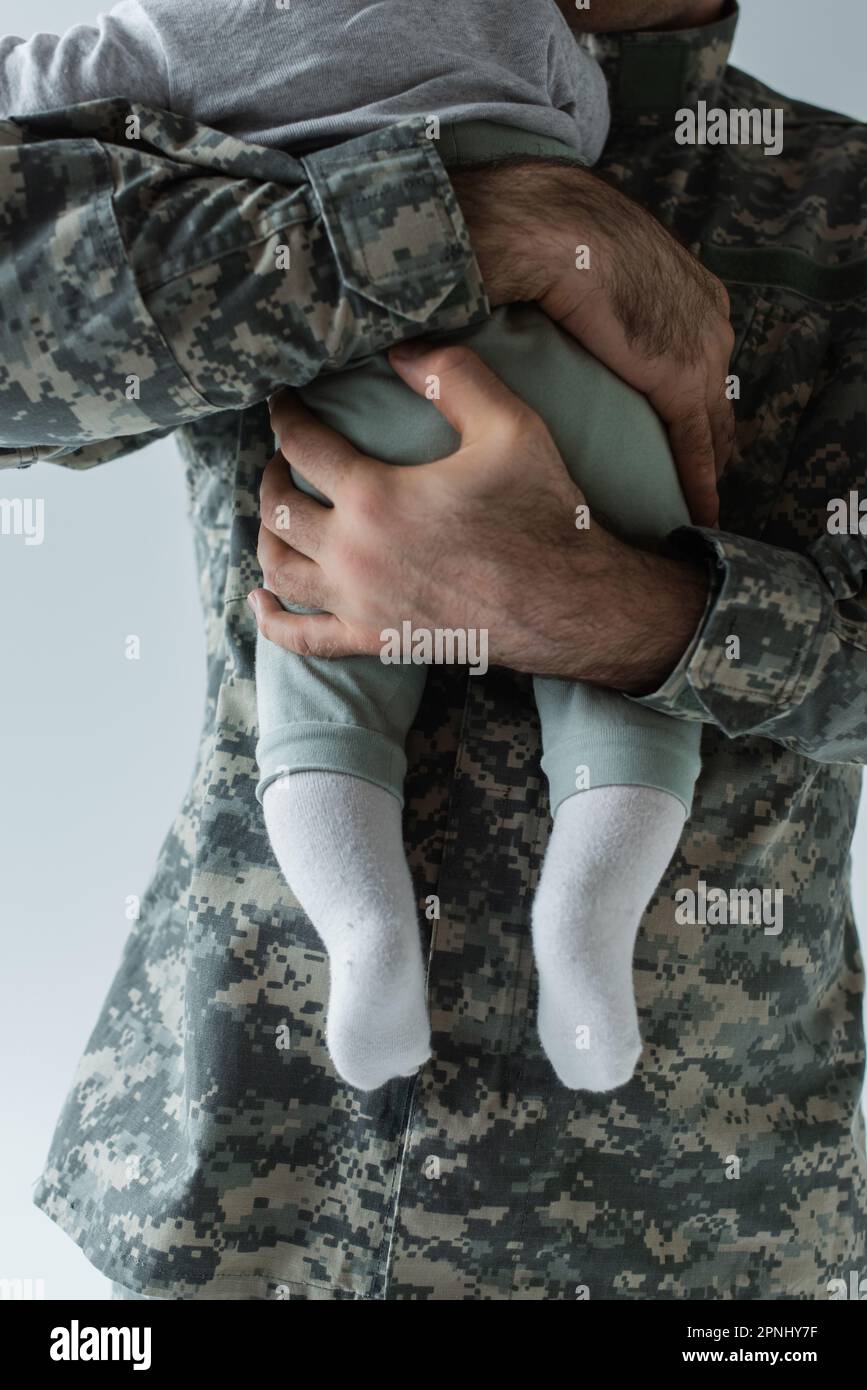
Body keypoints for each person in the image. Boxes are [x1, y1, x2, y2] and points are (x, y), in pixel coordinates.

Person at [2, 0, 864, 1299]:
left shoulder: (843, 204)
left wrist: (618, 609)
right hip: (260, 1188)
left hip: (689, 1227)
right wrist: (467, 224)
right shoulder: (269, 86)